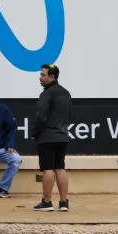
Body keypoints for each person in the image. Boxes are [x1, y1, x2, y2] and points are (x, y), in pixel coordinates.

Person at [31, 64, 72, 212]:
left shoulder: (47, 94)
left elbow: (41, 116)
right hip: (62, 136)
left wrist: (34, 133)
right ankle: (63, 202)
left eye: (43, 75)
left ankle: (47, 202)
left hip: (47, 137)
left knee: (48, 169)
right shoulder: (66, 93)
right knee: (60, 168)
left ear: (52, 77)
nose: (40, 77)